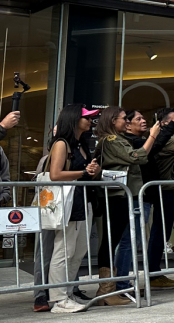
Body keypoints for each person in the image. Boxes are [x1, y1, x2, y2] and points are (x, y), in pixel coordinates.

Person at [93, 105, 164, 305]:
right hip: (117, 195)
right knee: (112, 241)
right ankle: (107, 291)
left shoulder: (114, 140)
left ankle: (108, 290)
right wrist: (152, 136)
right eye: (123, 118)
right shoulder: (112, 140)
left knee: (114, 240)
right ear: (112, 120)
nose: (127, 121)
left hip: (120, 194)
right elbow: (137, 157)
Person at [43, 105, 101, 313]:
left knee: (77, 252)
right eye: (86, 117)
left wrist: (91, 171)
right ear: (74, 119)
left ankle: (66, 294)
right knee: (64, 251)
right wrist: (83, 171)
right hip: (69, 203)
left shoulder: (80, 144)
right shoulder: (62, 144)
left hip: (82, 201)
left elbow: (82, 173)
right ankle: (58, 298)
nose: (90, 121)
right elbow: (55, 174)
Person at [144, 105, 174, 290]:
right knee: (159, 231)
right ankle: (153, 273)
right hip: (165, 189)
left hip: (168, 189)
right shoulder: (167, 140)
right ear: (163, 123)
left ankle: (155, 272)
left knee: (161, 231)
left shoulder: (168, 138)